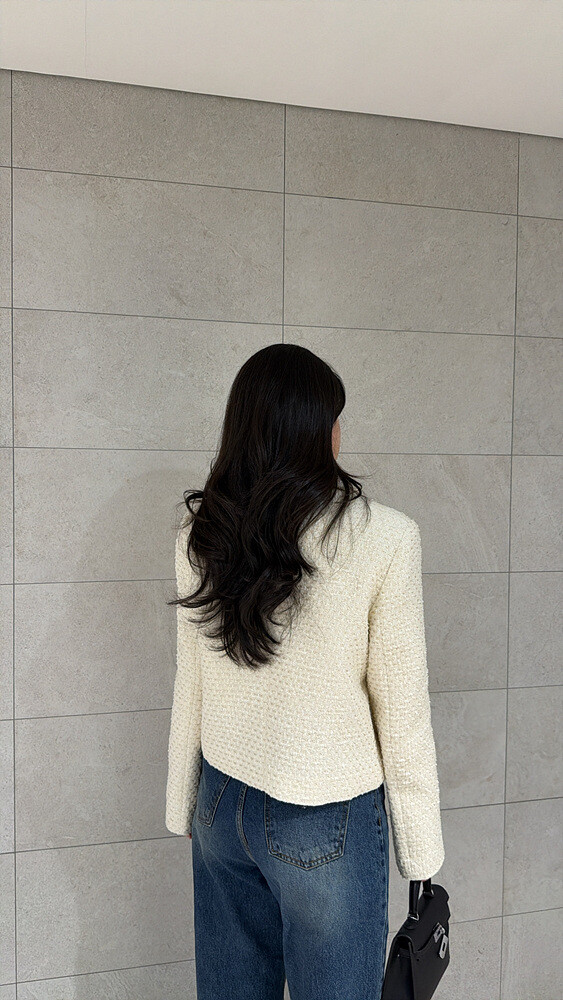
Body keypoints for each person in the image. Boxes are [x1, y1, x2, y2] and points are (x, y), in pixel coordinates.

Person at [165, 343, 445, 1000]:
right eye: (334, 418)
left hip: (219, 804)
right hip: (325, 818)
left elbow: (191, 682)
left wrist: (182, 803)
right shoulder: (385, 538)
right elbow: (401, 711)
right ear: (315, 429)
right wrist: (421, 855)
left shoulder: (203, 533)